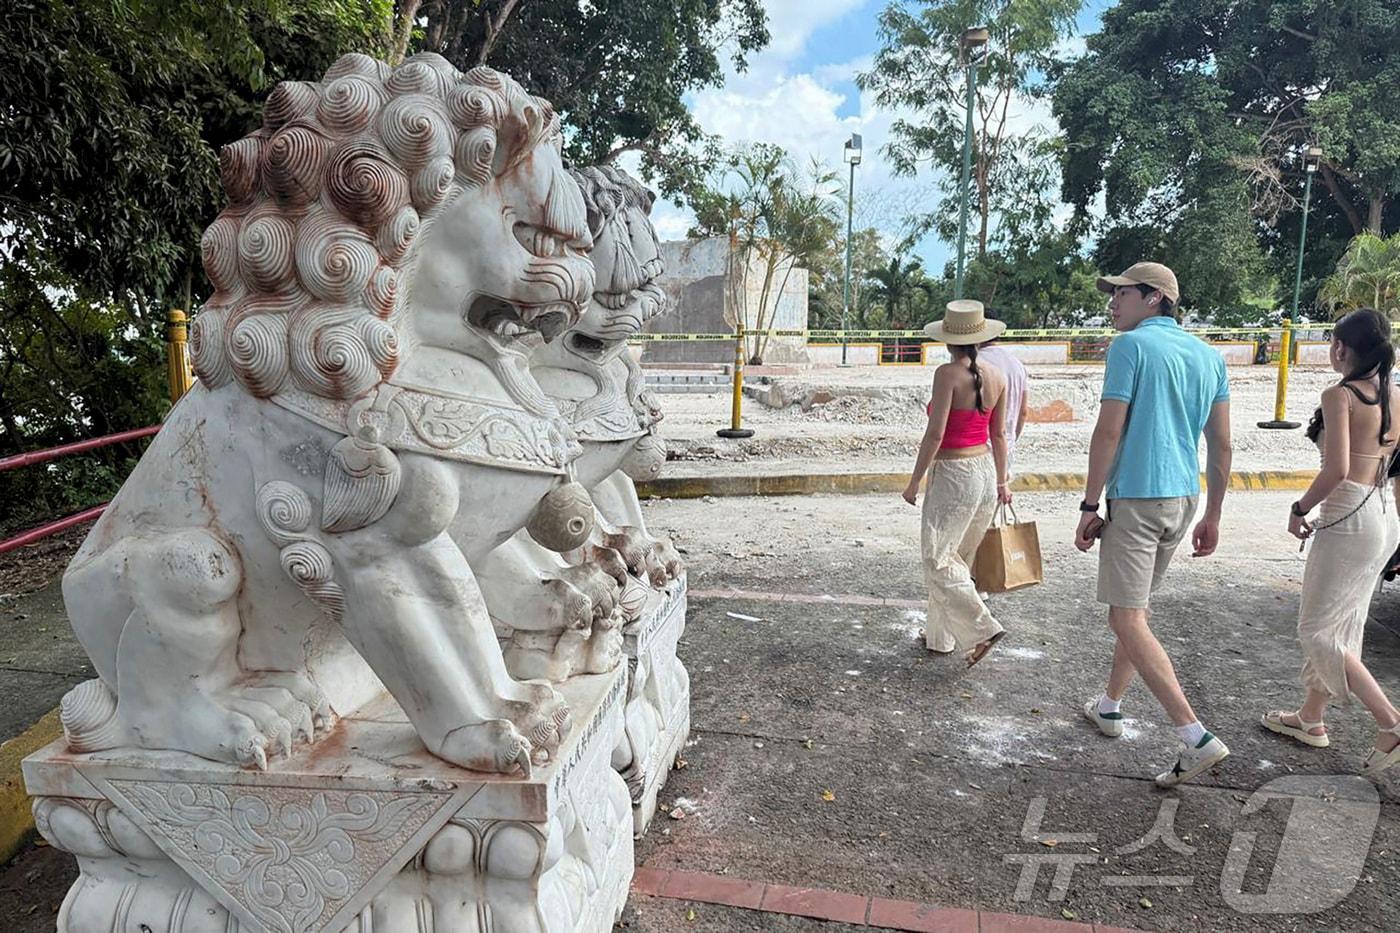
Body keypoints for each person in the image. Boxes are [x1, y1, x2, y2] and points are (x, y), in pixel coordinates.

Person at [1074, 262, 1233, 787]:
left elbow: (1108, 431)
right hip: (1182, 497)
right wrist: (1212, 514)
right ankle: (1110, 706)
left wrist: (1089, 504)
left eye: (1122, 293)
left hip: (1139, 497)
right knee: (1135, 612)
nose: (1112, 302)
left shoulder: (1130, 348)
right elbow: (1222, 445)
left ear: (1154, 298)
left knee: (1126, 619)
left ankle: (1195, 736)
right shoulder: (1209, 357)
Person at [1263, 308, 1400, 775]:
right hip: (1382, 511)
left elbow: (1337, 468)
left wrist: (1299, 507)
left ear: (1340, 347)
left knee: (1317, 629)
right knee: (1344, 622)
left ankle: (1390, 722)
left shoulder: (1340, 395)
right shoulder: (1394, 393)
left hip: (1348, 513)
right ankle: (1311, 717)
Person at [903, 299, 1012, 669]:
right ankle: (941, 638)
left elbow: (935, 435)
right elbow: (999, 435)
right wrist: (1002, 480)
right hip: (983, 470)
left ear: (948, 339)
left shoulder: (947, 374)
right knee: (959, 558)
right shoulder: (998, 376)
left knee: (937, 557)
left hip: (953, 473)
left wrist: (914, 481)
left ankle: (983, 628)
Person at [977, 326, 1030, 472]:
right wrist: (1012, 439)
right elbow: (1023, 411)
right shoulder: (1017, 364)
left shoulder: (973, 363)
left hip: (977, 448)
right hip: (1006, 447)